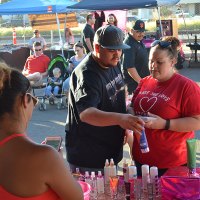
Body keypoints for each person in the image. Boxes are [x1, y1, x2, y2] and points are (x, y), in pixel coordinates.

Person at [65, 25, 145, 174]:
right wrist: (121, 119)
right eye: (111, 50)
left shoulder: (112, 61)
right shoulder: (88, 74)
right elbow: (86, 113)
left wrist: (126, 110)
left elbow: (120, 85)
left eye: (120, 49)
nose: (117, 55)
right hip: (89, 156)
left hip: (109, 150)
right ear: (96, 47)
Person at [0, 62, 83, 200]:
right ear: (25, 100)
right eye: (34, 99)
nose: (34, 104)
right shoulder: (45, 157)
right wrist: (57, 163)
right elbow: (77, 197)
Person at [130, 36, 200, 177]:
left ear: (172, 62)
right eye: (151, 61)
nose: (153, 66)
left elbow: (197, 121)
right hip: (141, 160)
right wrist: (130, 116)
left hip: (172, 164)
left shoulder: (186, 87)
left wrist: (165, 124)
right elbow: (132, 107)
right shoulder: (144, 81)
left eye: (159, 62)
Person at [122, 20, 150, 95]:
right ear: (132, 30)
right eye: (138, 32)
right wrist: (142, 83)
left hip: (140, 82)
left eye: (143, 31)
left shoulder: (137, 40)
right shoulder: (129, 44)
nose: (141, 34)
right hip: (134, 85)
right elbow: (130, 68)